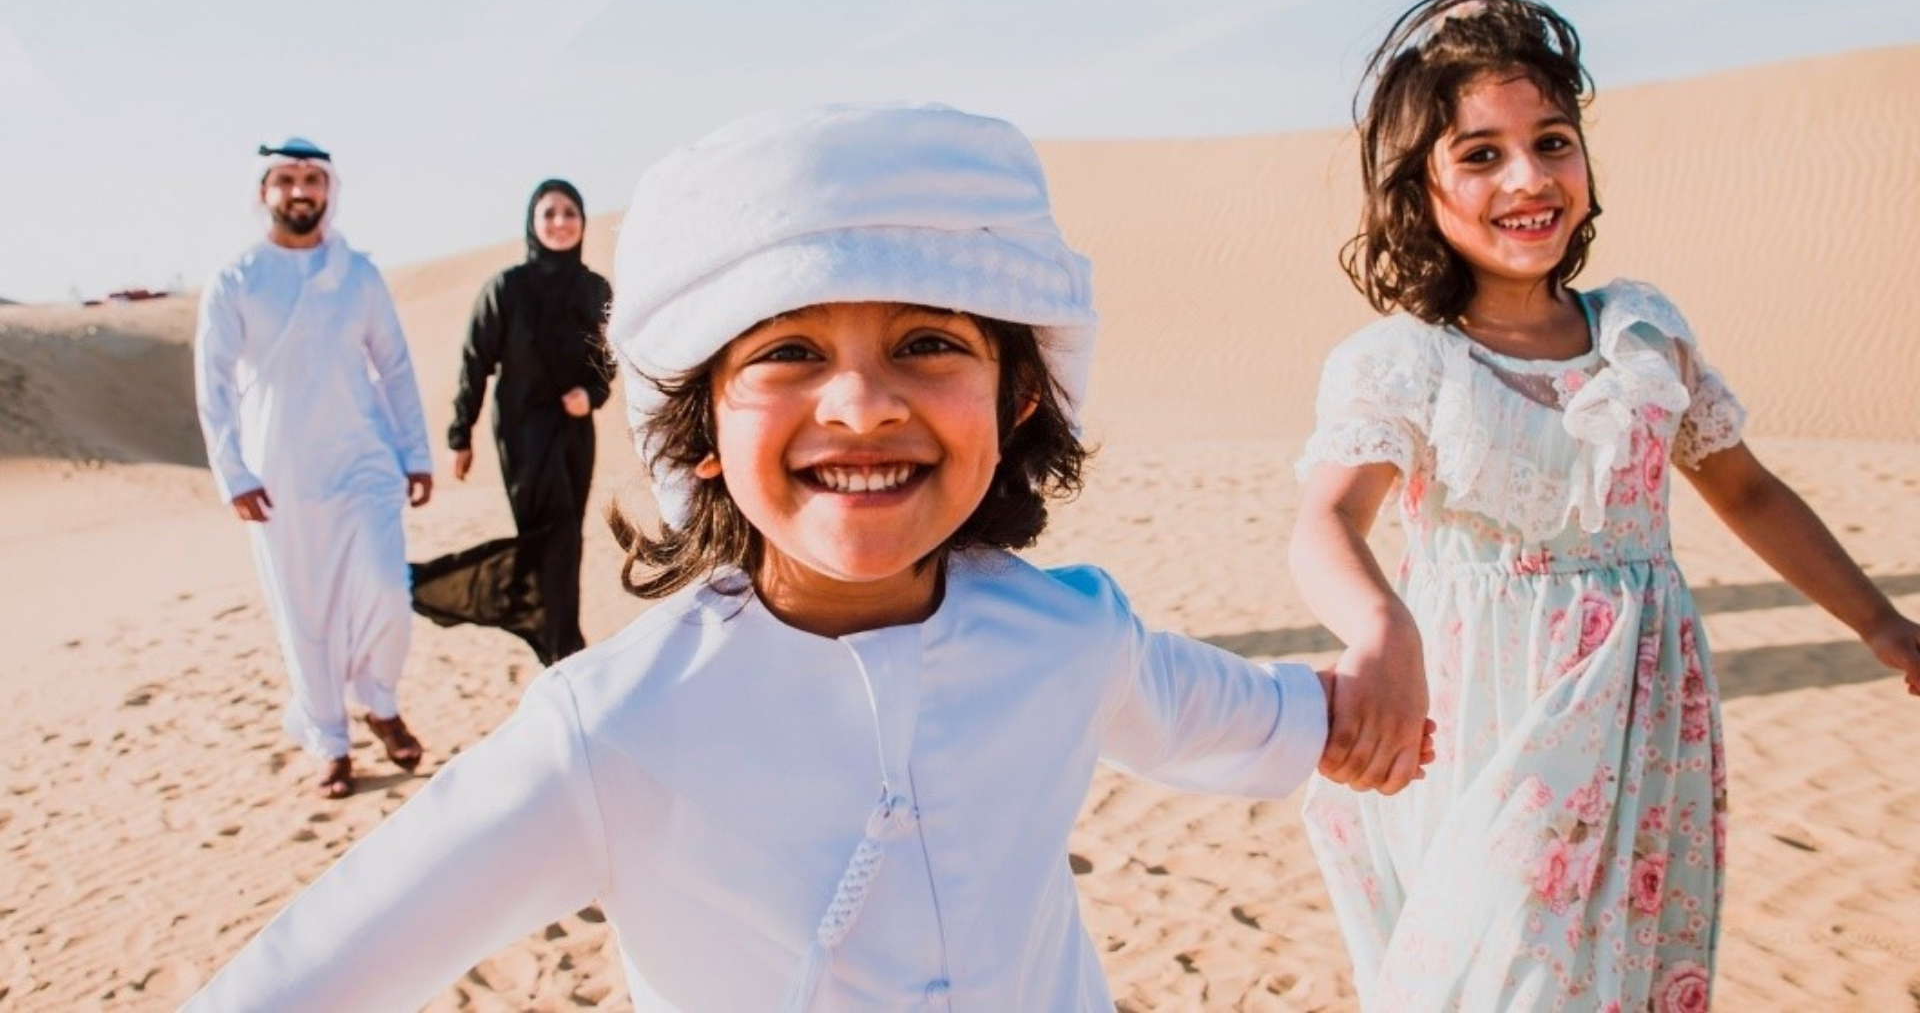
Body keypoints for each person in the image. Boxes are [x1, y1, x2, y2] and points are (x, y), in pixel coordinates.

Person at [184, 102, 1369, 1011]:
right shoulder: (616, 726)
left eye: (928, 342)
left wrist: (1368, 697)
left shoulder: (1068, 635)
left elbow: (1241, 715)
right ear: (697, 430)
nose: (862, 405)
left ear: (1018, 402)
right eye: (789, 351)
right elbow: (318, 969)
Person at [1290, 0, 1920, 1010]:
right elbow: (1326, 521)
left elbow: (1749, 491)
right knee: (1488, 980)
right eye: (1480, 155)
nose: (1529, 177)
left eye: (1552, 141)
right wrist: (1379, 631)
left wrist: (1881, 623)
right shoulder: (1406, 362)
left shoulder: (1641, 336)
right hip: (1479, 718)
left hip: (1639, 711)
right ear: (1418, 188)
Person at [194, 137, 437, 800]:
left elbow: (394, 365)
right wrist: (233, 472)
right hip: (280, 475)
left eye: (312, 179)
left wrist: (416, 453)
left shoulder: (358, 275)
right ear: (264, 191)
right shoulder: (237, 278)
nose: (301, 190)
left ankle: (379, 701)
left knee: (386, 592)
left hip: (365, 462)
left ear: (329, 189)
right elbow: (213, 382)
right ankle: (330, 741)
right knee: (304, 615)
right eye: (287, 179)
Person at [413, 178, 614, 665]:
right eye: (550, 213)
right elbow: (475, 363)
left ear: (582, 221)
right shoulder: (506, 289)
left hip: (575, 431)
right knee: (553, 532)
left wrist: (591, 395)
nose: (560, 222)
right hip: (523, 434)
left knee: (566, 538)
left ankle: (557, 645)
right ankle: (564, 650)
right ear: (532, 222)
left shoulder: (594, 290)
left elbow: (610, 359)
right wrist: (460, 436)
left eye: (570, 212)